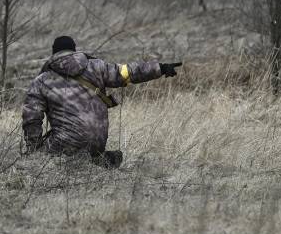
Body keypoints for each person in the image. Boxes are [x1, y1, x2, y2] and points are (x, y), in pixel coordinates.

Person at [22, 35, 181, 168]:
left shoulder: (42, 80)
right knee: (84, 156)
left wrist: (33, 150)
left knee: (41, 158)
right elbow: (126, 72)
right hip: (97, 141)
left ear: (53, 53)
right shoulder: (96, 67)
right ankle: (97, 159)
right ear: (74, 50)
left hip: (65, 143)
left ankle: (85, 162)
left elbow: (31, 119)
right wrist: (160, 68)